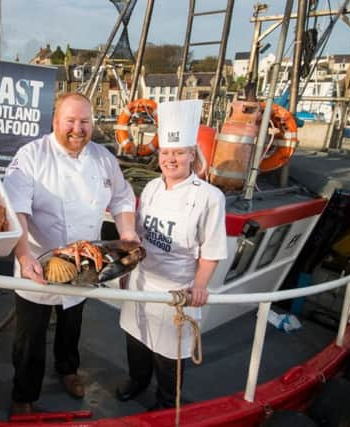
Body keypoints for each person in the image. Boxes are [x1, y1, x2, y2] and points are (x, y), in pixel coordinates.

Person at [3, 92, 138, 414]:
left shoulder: (104, 158)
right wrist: (24, 257)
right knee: (29, 337)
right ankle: (24, 395)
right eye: (71, 121)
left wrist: (128, 233)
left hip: (84, 263)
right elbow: (16, 210)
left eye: (85, 122)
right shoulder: (31, 156)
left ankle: (67, 369)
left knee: (72, 322)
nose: (78, 128)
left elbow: (121, 198)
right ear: (55, 122)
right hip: (38, 260)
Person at [115, 100, 228, 410]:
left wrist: (200, 286)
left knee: (169, 358)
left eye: (178, 152)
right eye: (166, 152)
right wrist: (126, 273)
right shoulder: (150, 188)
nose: (171, 159)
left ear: (192, 154)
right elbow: (135, 238)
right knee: (135, 342)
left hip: (177, 292)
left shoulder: (209, 197)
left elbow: (212, 250)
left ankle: (166, 403)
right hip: (141, 281)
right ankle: (137, 383)